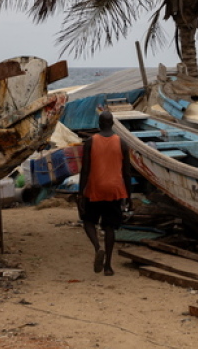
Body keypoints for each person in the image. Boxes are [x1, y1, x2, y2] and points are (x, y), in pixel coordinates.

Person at [78, 110, 130, 276]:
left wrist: (80, 193)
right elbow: (127, 172)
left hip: (95, 188)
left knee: (88, 221)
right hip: (114, 190)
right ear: (112, 124)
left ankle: (97, 246)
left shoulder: (90, 142)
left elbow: (85, 170)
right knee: (109, 227)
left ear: (99, 124)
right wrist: (128, 196)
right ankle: (108, 266)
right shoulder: (122, 143)